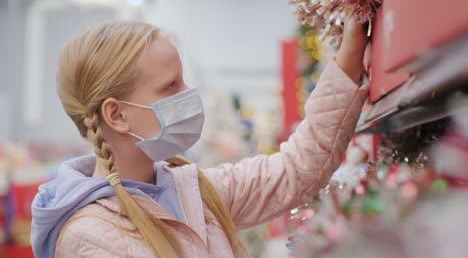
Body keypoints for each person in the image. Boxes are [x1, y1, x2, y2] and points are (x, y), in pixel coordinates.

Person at [30, 17, 369, 258]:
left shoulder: (195, 189)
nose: (188, 94)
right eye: (170, 86)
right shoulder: (89, 238)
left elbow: (298, 169)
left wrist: (351, 50)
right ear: (117, 115)